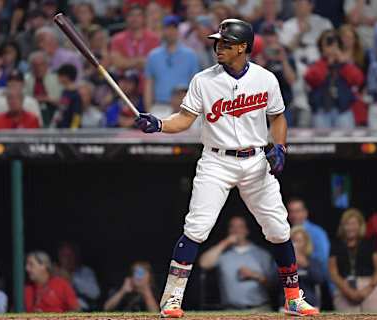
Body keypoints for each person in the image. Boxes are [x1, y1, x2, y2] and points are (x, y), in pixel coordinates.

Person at [135, 19, 319, 317]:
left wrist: (281, 147)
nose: (218, 47)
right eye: (217, 42)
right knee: (196, 227)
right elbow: (184, 119)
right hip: (216, 160)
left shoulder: (265, 78)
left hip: (255, 159)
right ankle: (171, 299)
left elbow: (279, 117)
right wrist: (158, 124)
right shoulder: (204, 80)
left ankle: (293, 298)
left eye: (225, 43)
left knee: (279, 229)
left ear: (243, 47)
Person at [199, 216, 276, 310]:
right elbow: (204, 264)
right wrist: (226, 242)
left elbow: (273, 285)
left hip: (259, 309)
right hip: (230, 310)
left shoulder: (262, 254)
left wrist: (255, 276)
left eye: (240, 227)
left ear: (247, 230)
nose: (236, 230)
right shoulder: (223, 254)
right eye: (232, 227)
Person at [279, 0, 333, 127]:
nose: (298, 6)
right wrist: (300, 33)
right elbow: (285, 50)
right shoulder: (288, 25)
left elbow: (331, 46)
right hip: (297, 68)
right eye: (296, 4)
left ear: (311, 5)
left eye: (301, 3)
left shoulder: (323, 23)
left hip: (319, 68)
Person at [304, 29, 364, 129]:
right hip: (321, 111)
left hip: (343, 111)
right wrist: (328, 61)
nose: (331, 46)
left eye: (334, 42)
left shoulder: (345, 64)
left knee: (347, 144)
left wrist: (342, 61)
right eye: (328, 43)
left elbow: (358, 80)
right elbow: (311, 79)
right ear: (321, 47)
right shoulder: (317, 64)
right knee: (322, 144)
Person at [329, 209, 377, 312]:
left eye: (354, 224)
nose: (351, 228)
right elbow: (333, 272)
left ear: (360, 225)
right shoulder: (336, 245)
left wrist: (368, 288)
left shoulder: (370, 243)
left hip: (370, 286)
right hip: (344, 287)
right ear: (342, 226)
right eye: (347, 224)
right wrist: (348, 291)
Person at [144, 15, 199, 118]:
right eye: (167, 28)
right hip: (160, 107)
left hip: (185, 108)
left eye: (174, 28)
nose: (171, 32)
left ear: (178, 31)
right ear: (163, 31)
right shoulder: (153, 56)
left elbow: (195, 85)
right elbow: (149, 84)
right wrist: (148, 110)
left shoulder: (190, 55)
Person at [253, 23, 296, 125]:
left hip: (283, 108)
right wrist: (261, 66)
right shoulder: (256, 58)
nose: (269, 39)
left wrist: (283, 60)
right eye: (266, 35)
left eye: (272, 35)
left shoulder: (286, 57)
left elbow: (291, 80)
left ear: (277, 37)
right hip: (261, 110)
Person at [110, 5, 160, 78]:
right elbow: (117, 63)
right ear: (126, 18)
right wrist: (139, 61)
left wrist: (127, 62)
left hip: (148, 83)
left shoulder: (154, 38)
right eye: (131, 15)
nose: (134, 19)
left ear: (144, 18)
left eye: (138, 15)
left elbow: (156, 63)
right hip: (124, 83)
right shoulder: (117, 39)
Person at [55, 242, 101, 311]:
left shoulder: (85, 271)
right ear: (59, 257)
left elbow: (95, 294)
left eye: (70, 255)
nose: (68, 259)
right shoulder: (54, 273)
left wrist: (72, 278)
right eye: (64, 255)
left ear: (76, 256)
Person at [24, 51, 62, 125]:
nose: (38, 68)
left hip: (54, 112)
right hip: (32, 114)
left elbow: (62, 101)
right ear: (31, 66)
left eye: (41, 65)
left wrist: (46, 99)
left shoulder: (57, 79)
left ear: (47, 65)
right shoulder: (26, 80)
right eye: (35, 65)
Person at [52, 64, 82, 129]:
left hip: (69, 132)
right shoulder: (64, 92)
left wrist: (73, 131)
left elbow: (77, 115)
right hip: (61, 129)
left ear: (66, 77)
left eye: (59, 75)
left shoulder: (75, 95)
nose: (57, 78)